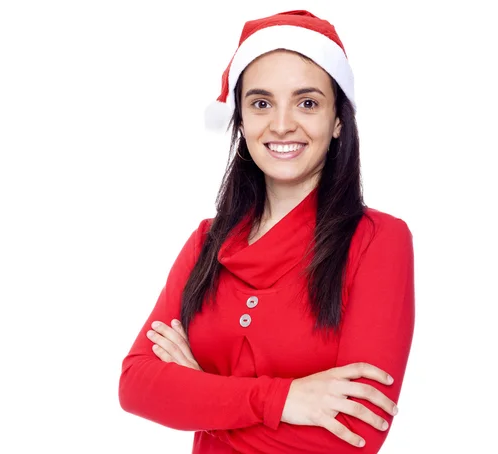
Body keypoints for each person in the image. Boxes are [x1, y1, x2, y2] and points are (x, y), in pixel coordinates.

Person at [118, 9, 415, 454]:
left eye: (307, 102)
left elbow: (355, 435)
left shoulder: (379, 241)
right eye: (261, 103)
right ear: (239, 118)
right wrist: (284, 399)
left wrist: (199, 395)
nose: (281, 125)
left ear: (338, 121)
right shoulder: (206, 241)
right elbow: (136, 386)